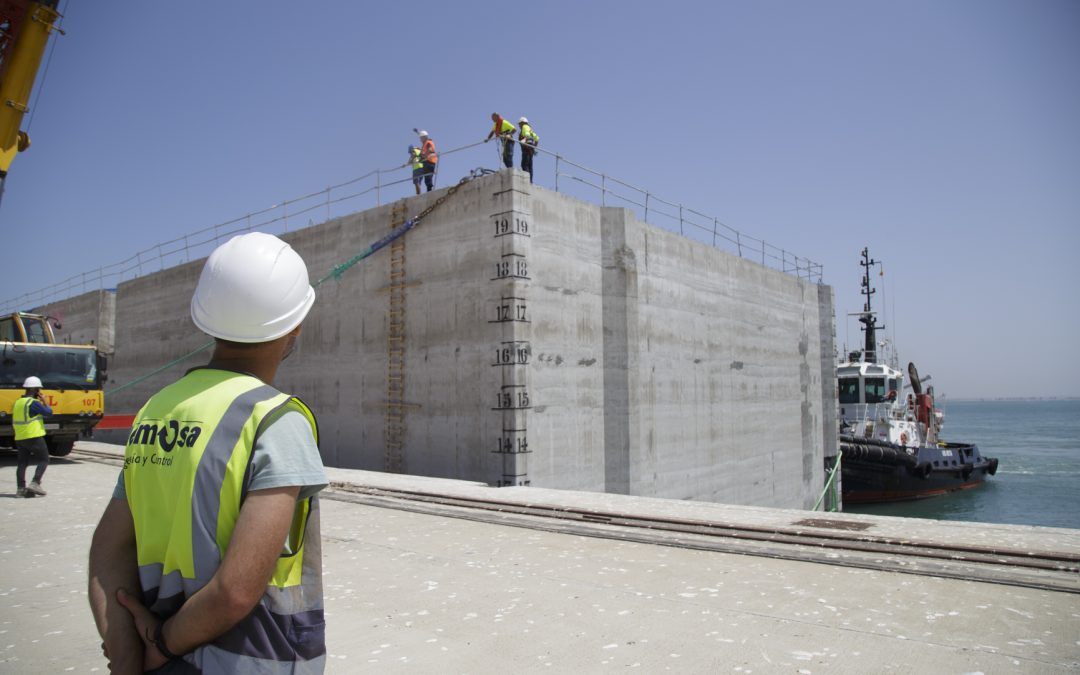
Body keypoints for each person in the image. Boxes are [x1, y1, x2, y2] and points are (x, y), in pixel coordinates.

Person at [88, 232, 328, 674]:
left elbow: (109, 548)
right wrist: (164, 644)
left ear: (206, 318)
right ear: (294, 325)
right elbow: (237, 591)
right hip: (252, 659)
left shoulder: (156, 410)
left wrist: (125, 651)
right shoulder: (276, 420)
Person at [12, 375, 51, 498]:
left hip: (20, 437)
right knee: (44, 459)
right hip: (33, 436)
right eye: (39, 389)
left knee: (22, 463)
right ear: (35, 390)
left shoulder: (18, 402)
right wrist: (44, 401)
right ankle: (35, 483)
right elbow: (49, 413)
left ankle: (20, 489)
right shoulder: (33, 403)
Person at [517, 116, 539, 183]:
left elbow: (527, 135)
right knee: (529, 165)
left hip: (526, 148)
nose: (519, 126)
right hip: (530, 149)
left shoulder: (525, 127)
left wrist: (523, 141)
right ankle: (530, 181)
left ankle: (527, 181)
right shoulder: (530, 129)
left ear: (522, 123)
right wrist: (534, 147)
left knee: (524, 164)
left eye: (519, 124)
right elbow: (537, 139)